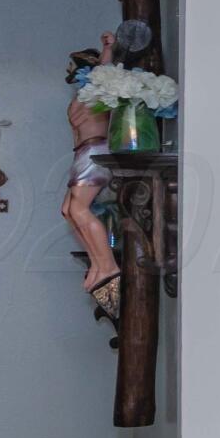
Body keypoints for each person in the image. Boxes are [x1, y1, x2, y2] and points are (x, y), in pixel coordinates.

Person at [62, 37, 122, 320]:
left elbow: (105, 69)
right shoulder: (82, 94)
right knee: (67, 210)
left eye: (72, 65)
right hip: (81, 154)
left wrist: (107, 48)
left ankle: (107, 266)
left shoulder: (99, 86)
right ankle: (97, 262)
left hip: (96, 151)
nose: (68, 69)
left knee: (78, 208)